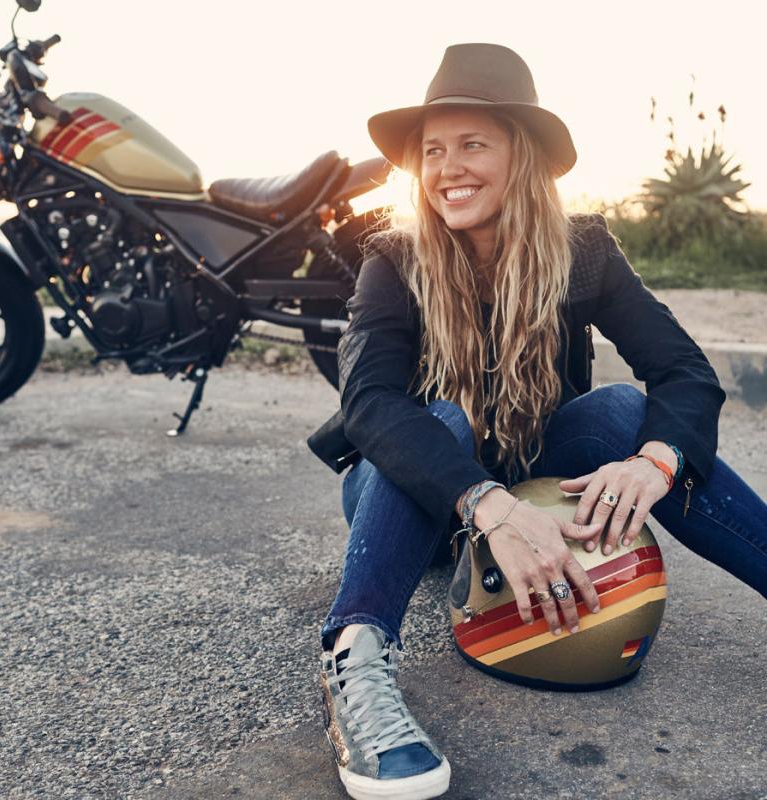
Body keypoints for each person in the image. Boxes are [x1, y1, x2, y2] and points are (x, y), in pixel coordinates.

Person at [306, 43, 767, 800]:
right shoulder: (393, 258)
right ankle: (353, 658)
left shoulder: (581, 251)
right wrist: (488, 504)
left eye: (472, 145)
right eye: (432, 151)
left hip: (528, 466)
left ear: (521, 156)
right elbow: (371, 406)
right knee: (443, 419)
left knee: (622, 412)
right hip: (410, 491)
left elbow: (683, 370)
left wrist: (652, 463)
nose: (447, 167)